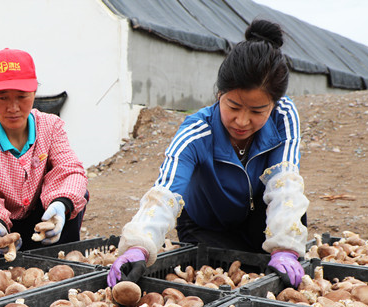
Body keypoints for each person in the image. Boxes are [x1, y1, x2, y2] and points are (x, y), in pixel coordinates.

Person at [108, 19, 308, 289]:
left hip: (256, 219)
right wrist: (138, 245)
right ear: (219, 94)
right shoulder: (196, 132)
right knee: (227, 272)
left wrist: (284, 247)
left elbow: (285, 182)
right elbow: (166, 191)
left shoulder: (283, 116)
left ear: (273, 104)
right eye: (233, 106)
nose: (242, 121)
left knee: (285, 236)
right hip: (206, 226)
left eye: (257, 111)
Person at [0, 48, 89, 265]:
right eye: (2, 98)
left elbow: (69, 171)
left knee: (77, 194)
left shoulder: (50, 126)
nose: (13, 108)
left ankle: (59, 260)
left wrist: (60, 205)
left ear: (34, 93)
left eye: (22, 97)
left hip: (39, 218)